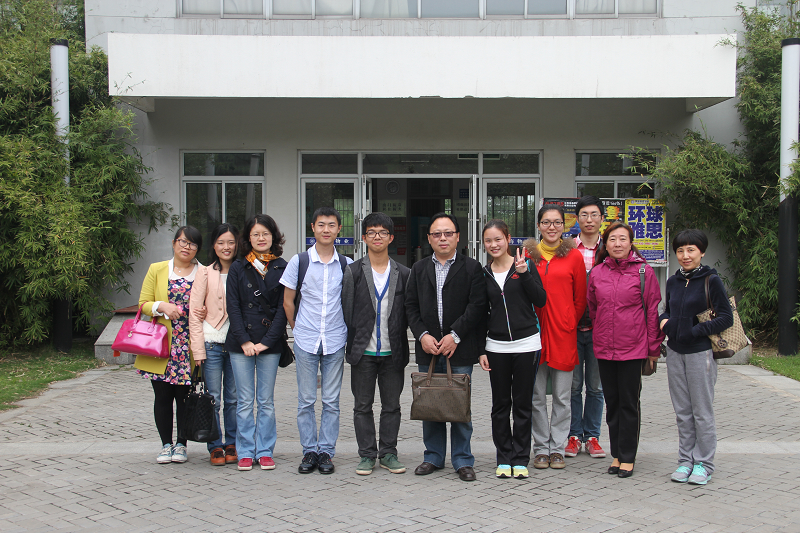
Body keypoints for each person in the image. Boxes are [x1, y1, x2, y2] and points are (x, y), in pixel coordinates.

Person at [405, 212, 487, 482]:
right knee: (430, 404)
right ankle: (433, 456)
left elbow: (477, 306)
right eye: (437, 234)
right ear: (429, 239)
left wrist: (456, 335)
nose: (443, 238)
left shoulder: (472, 267)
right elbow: (410, 306)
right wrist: (422, 335)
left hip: (458, 349)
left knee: (459, 406)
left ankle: (462, 459)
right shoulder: (418, 269)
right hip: (428, 349)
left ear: (458, 237)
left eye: (448, 233)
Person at [587, 222, 664, 478]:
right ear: (605, 244)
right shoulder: (597, 272)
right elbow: (593, 309)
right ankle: (617, 454)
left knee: (629, 403)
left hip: (633, 348)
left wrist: (653, 349)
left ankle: (628, 456)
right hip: (605, 349)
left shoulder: (643, 272)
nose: (617, 244)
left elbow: (652, 312)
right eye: (612, 239)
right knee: (612, 403)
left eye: (622, 239)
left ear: (631, 243)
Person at [282, 207, 353, 475]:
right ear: (312, 228)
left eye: (331, 225)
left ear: (339, 230)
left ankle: (326, 452)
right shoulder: (299, 261)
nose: (326, 229)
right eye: (321, 224)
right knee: (306, 400)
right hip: (306, 339)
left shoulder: (346, 264)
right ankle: (309, 451)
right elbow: (288, 301)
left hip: (335, 339)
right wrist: (297, 328)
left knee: (331, 401)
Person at [659, 229, 732, 485]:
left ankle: (703, 463)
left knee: (702, 411)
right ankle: (685, 461)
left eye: (691, 250)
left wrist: (696, 331)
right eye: (680, 250)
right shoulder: (673, 281)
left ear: (702, 252)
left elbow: (726, 317)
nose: (685, 255)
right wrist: (664, 323)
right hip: (675, 352)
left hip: (700, 353)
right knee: (683, 411)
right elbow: (667, 310)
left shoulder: (711, 280)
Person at [341, 213, 411, 476]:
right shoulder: (353, 271)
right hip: (363, 351)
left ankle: (388, 453)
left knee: (392, 406)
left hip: (394, 352)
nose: (377, 237)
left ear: (391, 238)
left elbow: (407, 312)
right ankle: (367, 455)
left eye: (383, 232)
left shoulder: (404, 273)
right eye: (372, 232)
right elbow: (347, 310)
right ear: (364, 237)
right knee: (362, 406)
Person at [478, 220, 547, 480]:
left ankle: (520, 459)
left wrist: (525, 274)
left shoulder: (525, 265)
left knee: (522, 404)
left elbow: (541, 300)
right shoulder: (484, 274)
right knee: (500, 405)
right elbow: (481, 314)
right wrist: (481, 349)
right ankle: (503, 458)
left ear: (508, 239)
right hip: (496, 346)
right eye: (488, 240)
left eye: (498, 239)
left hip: (527, 344)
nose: (493, 245)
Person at [524, 204, 586, 470]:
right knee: (536, 396)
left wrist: (568, 320)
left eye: (557, 222)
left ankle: (557, 448)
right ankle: (541, 448)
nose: (552, 227)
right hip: (533, 335)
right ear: (538, 226)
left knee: (562, 396)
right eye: (546, 222)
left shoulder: (574, 257)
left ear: (564, 226)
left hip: (563, 335)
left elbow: (580, 299)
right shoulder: (528, 256)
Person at [226, 215, 288, 471]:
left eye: (265, 234)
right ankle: (244, 451)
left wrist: (266, 342)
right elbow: (233, 307)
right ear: (248, 238)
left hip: (269, 344)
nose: (261, 239)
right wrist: (244, 340)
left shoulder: (283, 267)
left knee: (266, 402)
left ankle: (264, 451)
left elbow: (284, 308)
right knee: (243, 401)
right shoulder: (238, 267)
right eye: (256, 234)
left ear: (273, 236)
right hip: (240, 343)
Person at [136, 226, 203, 464]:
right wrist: (161, 306)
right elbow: (143, 303)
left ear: (197, 249)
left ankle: (182, 445)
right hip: (161, 344)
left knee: (184, 398)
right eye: (183, 242)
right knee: (162, 397)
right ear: (174, 243)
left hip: (189, 345)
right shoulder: (157, 269)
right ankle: (166, 445)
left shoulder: (203, 272)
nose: (187, 247)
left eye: (192, 244)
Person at [189, 223, 240, 467]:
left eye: (230, 242)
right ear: (214, 245)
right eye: (221, 242)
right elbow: (194, 312)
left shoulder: (243, 269)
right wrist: (198, 350)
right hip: (211, 343)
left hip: (236, 343)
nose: (226, 247)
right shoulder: (204, 272)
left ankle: (233, 443)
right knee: (214, 398)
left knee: (234, 398)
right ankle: (215, 445)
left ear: (237, 244)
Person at [566, 195, 607, 460]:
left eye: (594, 215)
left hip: (600, 329)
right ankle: (573, 435)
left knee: (595, 387)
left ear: (602, 218)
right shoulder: (567, 248)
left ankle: (592, 436)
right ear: (577, 219)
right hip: (571, 328)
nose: (589, 220)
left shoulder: (610, 247)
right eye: (584, 215)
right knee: (572, 387)